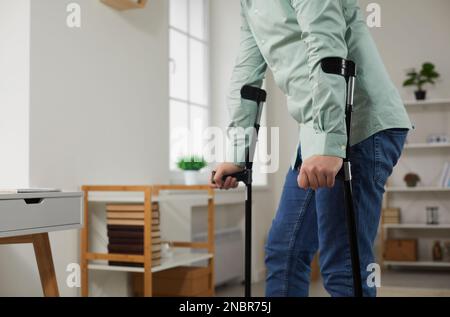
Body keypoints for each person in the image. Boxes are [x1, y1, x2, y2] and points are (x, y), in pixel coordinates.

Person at [210, 0, 411, 297]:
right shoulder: (248, 4)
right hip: (317, 130)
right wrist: (239, 154)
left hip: (358, 121)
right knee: (284, 252)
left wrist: (330, 141)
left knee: (343, 266)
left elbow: (325, 42)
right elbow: (246, 75)